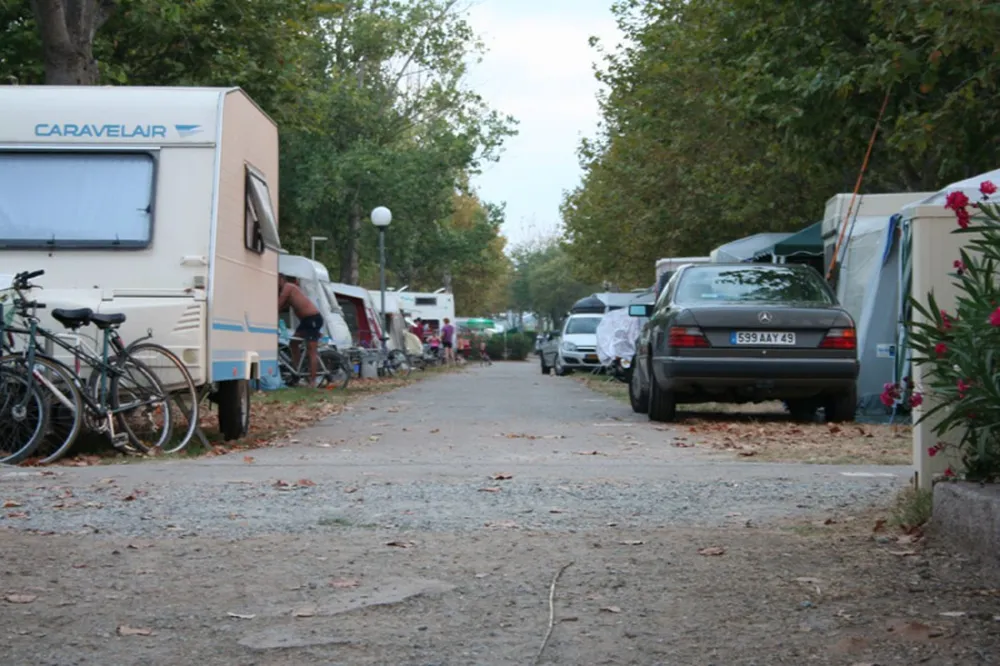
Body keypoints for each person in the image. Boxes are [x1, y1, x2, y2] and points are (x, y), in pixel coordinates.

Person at [278, 274, 323, 387]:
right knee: (293, 343)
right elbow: (282, 308)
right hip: (305, 322)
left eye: (276, 280)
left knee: (311, 350)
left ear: (282, 279)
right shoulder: (287, 292)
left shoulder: (288, 287)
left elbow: (278, 304)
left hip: (313, 319)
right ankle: (298, 370)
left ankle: (313, 381)